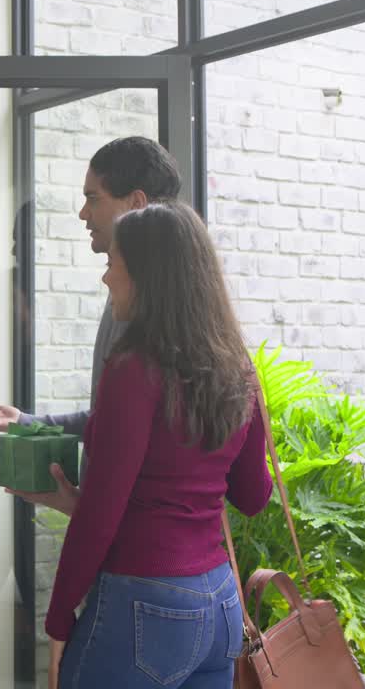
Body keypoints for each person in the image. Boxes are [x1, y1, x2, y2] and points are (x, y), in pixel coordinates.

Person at [45, 201, 272, 689]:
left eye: (113, 265)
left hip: (145, 606)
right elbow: (254, 495)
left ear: (147, 275)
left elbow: (101, 515)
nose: (107, 280)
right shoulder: (237, 366)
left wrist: (59, 621)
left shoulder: (133, 368)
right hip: (220, 605)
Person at [0, 136, 183, 515]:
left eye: (93, 199)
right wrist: (29, 422)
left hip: (133, 559)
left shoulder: (157, 313)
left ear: (136, 204)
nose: (82, 214)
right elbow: (110, 421)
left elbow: (134, 445)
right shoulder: (129, 294)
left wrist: (83, 511)